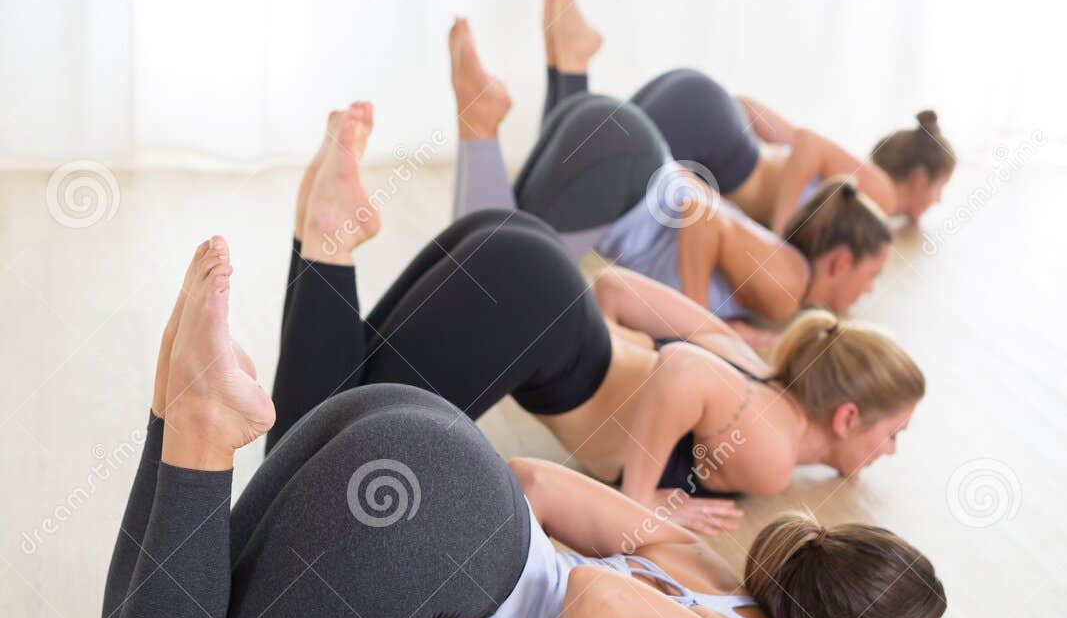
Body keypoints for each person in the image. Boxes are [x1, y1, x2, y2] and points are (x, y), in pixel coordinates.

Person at [93, 238, 946, 618]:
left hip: (412, 435)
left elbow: (535, 482)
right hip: (428, 520)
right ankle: (199, 429)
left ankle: (180, 411)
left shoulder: (715, 576)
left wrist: (445, 497)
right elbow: (602, 608)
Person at [265, 103, 924, 532]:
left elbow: (611, 291)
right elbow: (682, 372)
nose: (890, 451)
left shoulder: (749, 360)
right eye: (892, 433)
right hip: (532, 307)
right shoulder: (775, 452)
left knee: (333, 424)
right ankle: (325, 237)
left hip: (527, 260)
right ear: (845, 416)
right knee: (323, 477)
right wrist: (636, 502)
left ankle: (317, 232)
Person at [450, 13, 894, 332]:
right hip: (621, 168)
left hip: (619, 149)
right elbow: (701, 216)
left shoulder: (775, 279)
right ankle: (480, 119)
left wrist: (729, 333)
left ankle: (495, 107)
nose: (871, 291)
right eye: (872, 276)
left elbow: (698, 201)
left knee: (492, 250)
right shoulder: (789, 286)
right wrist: (697, 329)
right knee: (494, 282)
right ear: (839, 262)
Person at [538, 0, 956, 232]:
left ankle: (563, 60)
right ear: (919, 179)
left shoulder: (846, 176)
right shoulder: (878, 195)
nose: (937, 202)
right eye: (940, 189)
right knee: (583, 177)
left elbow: (752, 109)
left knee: (577, 160)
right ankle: (570, 60)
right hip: (717, 138)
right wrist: (782, 229)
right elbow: (807, 143)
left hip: (704, 105)